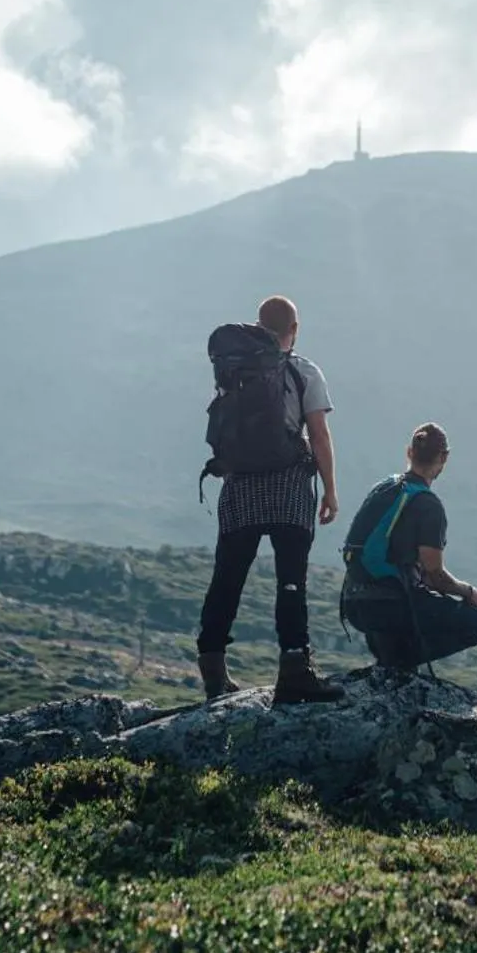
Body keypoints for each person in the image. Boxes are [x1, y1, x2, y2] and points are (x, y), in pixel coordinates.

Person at [195, 295, 344, 705]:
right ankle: (295, 667)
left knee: (227, 578)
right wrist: (330, 489)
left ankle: (212, 667)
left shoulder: (234, 369)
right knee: (291, 580)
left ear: (259, 326)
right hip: (289, 486)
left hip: (240, 485)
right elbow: (319, 434)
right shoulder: (303, 370)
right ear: (293, 330)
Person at [339, 422, 477, 670]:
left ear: (409, 452)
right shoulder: (427, 505)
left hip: (355, 603)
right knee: (474, 624)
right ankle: (398, 664)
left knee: (411, 607)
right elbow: (436, 577)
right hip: (391, 605)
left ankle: (389, 662)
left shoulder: (384, 488)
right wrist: (469, 592)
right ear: (444, 457)